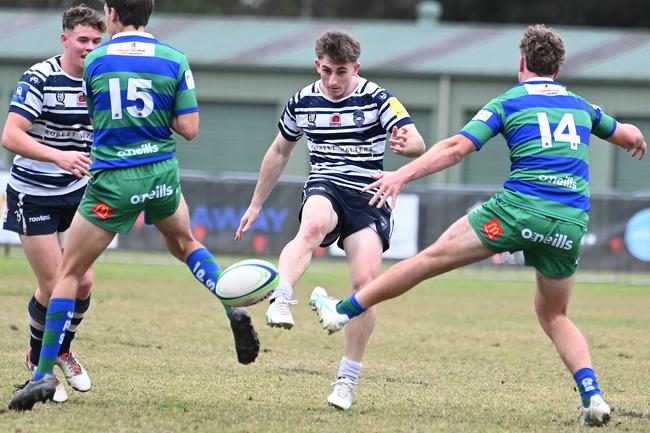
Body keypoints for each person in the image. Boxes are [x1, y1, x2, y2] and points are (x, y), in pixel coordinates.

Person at [310, 24, 647, 426]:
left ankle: (342, 311)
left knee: (429, 260)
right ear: (558, 68)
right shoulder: (581, 107)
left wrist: (401, 176)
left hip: (517, 211)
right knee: (555, 314)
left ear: (521, 63)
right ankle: (593, 396)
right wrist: (635, 139)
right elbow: (626, 134)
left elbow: (455, 149)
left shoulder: (508, 102)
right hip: (569, 222)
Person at [9, 0, 259, 411]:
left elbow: (103, 115)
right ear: (149, 13)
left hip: (113, 181)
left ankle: (41, 374)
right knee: (186, 244)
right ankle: (230, 304)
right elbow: (190, 129)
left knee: (68, 275)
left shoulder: (97, 61)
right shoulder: (175, 58)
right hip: (161, 176)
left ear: (110, 12)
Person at [235, 30, 425, 410]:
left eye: (342, 71)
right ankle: (282, 298)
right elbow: (279, 152)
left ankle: (345, 383)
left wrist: (409, 146)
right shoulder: (302, 101)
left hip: (371, 195)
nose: (334, 81)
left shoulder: (378, 98)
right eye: (326, 71)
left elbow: (417, 141)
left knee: (366, 285)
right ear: (316, 65)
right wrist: (256, 203)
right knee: (313, 224)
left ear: (356, 67)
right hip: (326, 184)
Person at [2, 4, 105, 404]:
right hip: (35, 191)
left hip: (79, 191)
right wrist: (58, 156)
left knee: (85, 282)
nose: (90, 47)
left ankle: (58, 349)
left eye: (98, 41)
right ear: (65, 40)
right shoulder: (40, 78)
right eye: (83, 40)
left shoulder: (102, 81)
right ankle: (37, 360)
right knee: (54, 284)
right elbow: (11, 135)